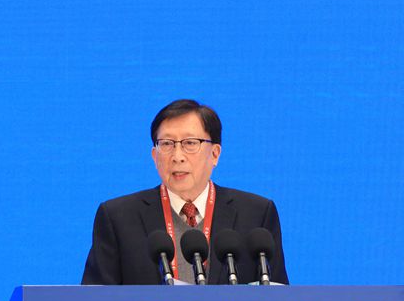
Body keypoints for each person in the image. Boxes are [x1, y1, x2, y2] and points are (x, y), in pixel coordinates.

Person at [81, 99, 289, 285]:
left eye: (190, 143)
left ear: (215, 154)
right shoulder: (118, 217)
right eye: (167, 144)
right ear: (154, 155)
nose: (177, 156)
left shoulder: (256, 214)